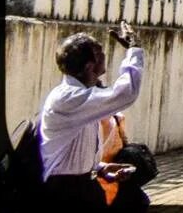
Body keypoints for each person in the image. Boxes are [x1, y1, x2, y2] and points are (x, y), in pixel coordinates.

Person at [39, 20, 147, 209]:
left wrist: (101, 169)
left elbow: (75, 149)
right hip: (65, 193)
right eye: (100, 52)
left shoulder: (83, 96)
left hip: (82, 186)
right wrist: (135, 49)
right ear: (90, 66)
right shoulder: (70, 98)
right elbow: (126, 93)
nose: (105, 55)